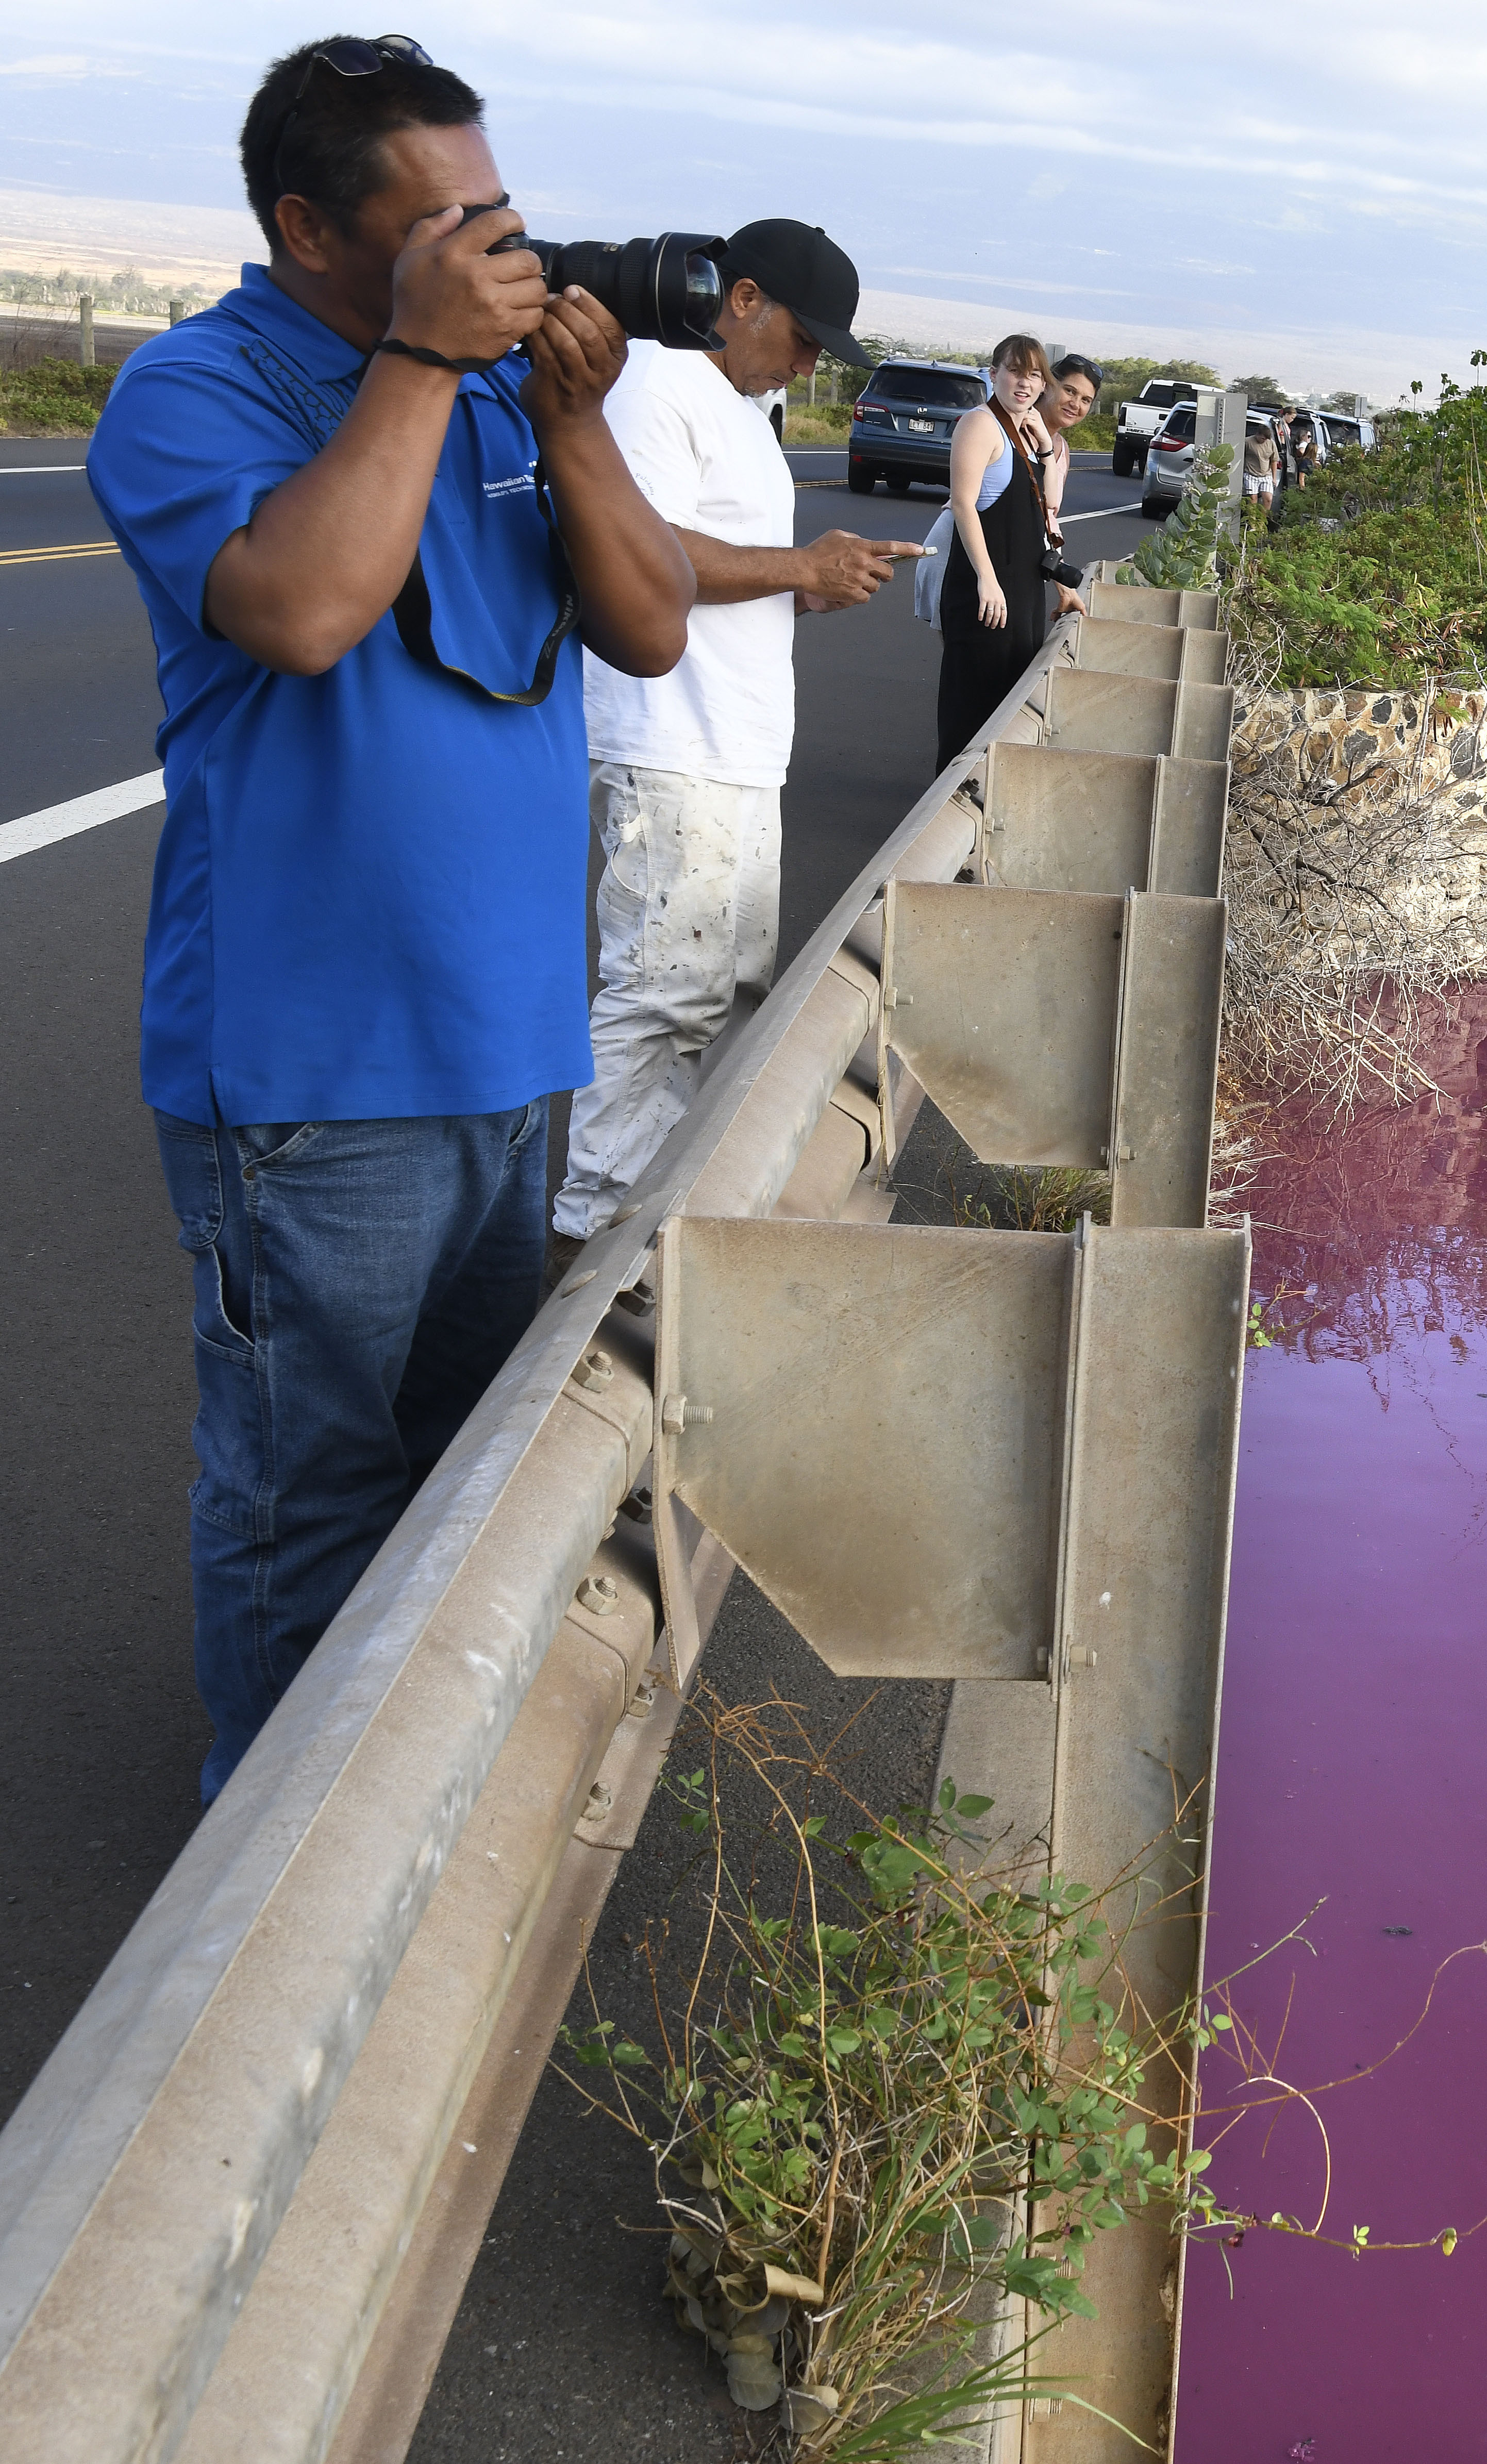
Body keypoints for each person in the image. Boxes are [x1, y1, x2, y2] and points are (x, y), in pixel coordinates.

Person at [89, 34, 694, 1801]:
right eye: (447, 224)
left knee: (454, 1478)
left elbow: (651, 629)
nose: (497, 251)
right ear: (307, 223)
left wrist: (569, 418)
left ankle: (395, 1808)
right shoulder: (197, 391)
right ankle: (256, 1890)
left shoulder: (512, 394)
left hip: (512, 1048)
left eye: (501, 212)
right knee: (303, 1494)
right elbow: (300, 610)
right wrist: (428, 360)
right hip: (309, 1077)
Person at [557, 220, 920, 1257]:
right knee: (667, 994)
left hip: (733, 751)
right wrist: (802, 569)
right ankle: (595, 1236)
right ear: (744, 297)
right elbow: (638, 554)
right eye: (805, 339)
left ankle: (663, 1221)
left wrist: (810, 581)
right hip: (674, 743)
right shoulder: (659, 385)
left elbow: (730, 568)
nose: (810, 365)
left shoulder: (744, 410)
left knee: (720, 992)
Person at [931, 332, 1076, 770]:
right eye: (1015, 371)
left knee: (1006, 705)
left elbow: (1049, 506)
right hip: (988, 593)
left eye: (1035, 375)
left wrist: (1047, 449)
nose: (1025, 383)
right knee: (972, 707)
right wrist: (987, 579)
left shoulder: (1026, 431)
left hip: (1023, 593)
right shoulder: (980, 425)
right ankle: (949, 806)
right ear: (994, 374)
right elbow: (963, 504)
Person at [1040, 353, 1098, 563]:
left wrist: (1060, 576)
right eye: (1069, 391)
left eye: (1085, 400)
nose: (1075, 404)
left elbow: (1048, 520)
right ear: (1047, 385)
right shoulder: (1015, 433)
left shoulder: (1062, 450)